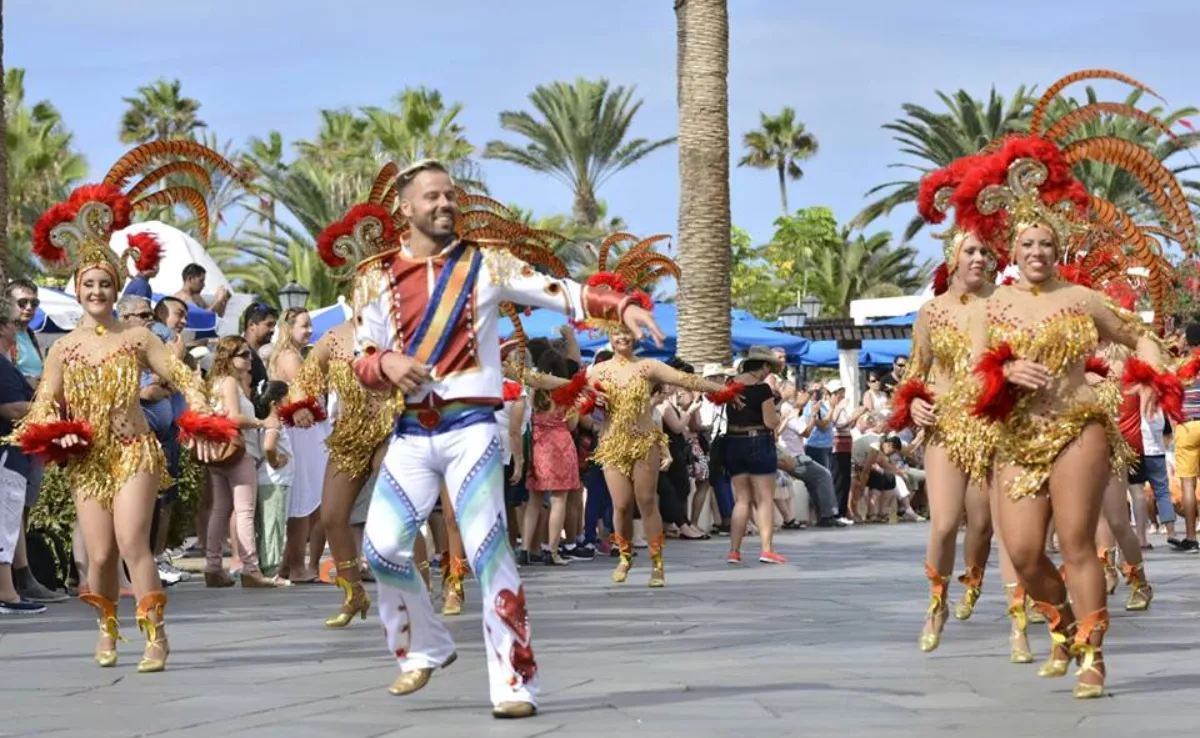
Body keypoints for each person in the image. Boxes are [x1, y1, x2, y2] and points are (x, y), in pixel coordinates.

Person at [347, 160, 666, 718]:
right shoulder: (374, 277)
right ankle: (424, 645)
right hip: (409, 433)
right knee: (381, 549)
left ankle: (515, 682)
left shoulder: (485, 263)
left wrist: (621, 304)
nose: (445, 204)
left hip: (473, 428)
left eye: (451, 195)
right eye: (432, 197)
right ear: (405, 207)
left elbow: (559, 291)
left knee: (489, 551)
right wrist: (386, 363)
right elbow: (359, 357)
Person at [955, 87, 1190, 699]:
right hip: (1016, 433)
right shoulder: (993, 304)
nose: (1037, 253)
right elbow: (975, 366)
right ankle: (1059, 622)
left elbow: (1141, 337)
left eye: (1047, 245)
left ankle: (1093, 654)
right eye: (1027, 244)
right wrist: (1003, 376)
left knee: (1080, 541)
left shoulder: (1082, 300)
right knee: (1027, 551)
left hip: (1079, 424)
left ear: (1059, 251)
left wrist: (1145, 372)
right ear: (1013, 250)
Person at [16, 140, 240, 670]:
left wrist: (204, 411)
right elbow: (44, 404)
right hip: (87, 459)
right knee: (97, 554)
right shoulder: (65, 348)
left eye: (104, 284)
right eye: (88, 284)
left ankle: (155, 633)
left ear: (116, 289)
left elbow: (182, 373)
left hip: (134, 450)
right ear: (78, 289)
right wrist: (52, 431)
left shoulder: (138, 337)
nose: (96, 291)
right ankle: (107, 629)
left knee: (132, 542)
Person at [888, 158, 1014, 656]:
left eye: (985, 251)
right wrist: (914, 404)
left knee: (983, 525)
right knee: (943, 523)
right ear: (953, 258)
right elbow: (915, 375)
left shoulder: (1005, 305)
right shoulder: (931, 311)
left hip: (991, 429)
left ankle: (975, 580)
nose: (979, 259)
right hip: (943, 429)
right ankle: (936, 602)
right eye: (970, 252)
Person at [283, 319, 395, 625]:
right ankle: (353, 592)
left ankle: (419, 587)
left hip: (391, 432)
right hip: (347, 436)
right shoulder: (334, 338)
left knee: (397, 511)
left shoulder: (400, 327)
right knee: (332, 516)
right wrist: (301, 405)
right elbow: (303, 380)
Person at [2, 278, 65, 603]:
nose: (28, 309)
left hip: (32, 431)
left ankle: (18, 574)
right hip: (13, 430)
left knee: (23, 505)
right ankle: (18, 577)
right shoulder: (8, 338)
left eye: (33, 303)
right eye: (22, 302)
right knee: (11, 507)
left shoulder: (28, 336)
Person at [204, 336, 281, 589]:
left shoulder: (214, 382)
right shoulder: (228, 382)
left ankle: (213, 566)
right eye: (244, 355)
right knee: (245, 511)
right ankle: (251, 569)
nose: (250, 359)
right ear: (229, 357)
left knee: (220, 509)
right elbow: (234, 417)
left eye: (249, 354)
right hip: (238, 451)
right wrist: (262, 423)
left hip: (218, 451)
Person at [0, 296, 43, 614]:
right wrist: (46, 408)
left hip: (14, 452)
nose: (17, 328)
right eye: (13, 323)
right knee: (5, 523)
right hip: (7, 452)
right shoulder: (1, 365)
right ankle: (8, 594)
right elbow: (11, 408)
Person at [724, 346, 786, 565]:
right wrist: (778, 413)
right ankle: (767, 549)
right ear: (765, 366)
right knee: (764, 498)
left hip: (733, 441)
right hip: (758, 440)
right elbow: (770, 422)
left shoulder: (730, 385)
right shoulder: (762, 389)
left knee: (741, 499)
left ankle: (734, 551)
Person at [240, 302, 278, 407]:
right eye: (269, 324)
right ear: (251, 325)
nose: (273, 330)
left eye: (274, 325)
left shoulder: (266, 353)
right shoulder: (237, 354)